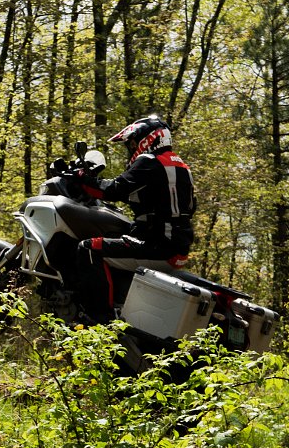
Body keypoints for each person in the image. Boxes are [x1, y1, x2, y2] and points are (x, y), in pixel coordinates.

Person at [72, 114, 196, 322]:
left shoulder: (149, 161)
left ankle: (99, 320)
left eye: (132, 143)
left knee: (89, 249)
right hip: (178, 248)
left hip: (158, 247)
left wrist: (82, 178)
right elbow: (187, 207)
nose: (131, 148)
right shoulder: (181, 167)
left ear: (148, 139)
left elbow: (113, 190)